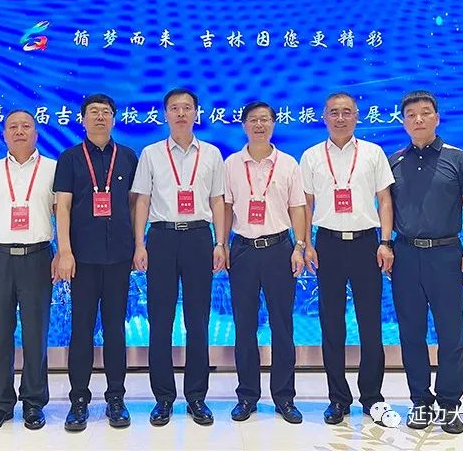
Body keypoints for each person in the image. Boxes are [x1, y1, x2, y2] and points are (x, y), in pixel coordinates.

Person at [388, 90, 463, 434]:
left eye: (425, 113)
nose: (418, 119)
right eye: (411, 114)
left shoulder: (457, 158)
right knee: (411, 333)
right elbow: (386, 207)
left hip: (446, 254)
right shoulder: (394, 161)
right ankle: (420, 401)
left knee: (450, 332)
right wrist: (386, 246)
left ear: (437, 118)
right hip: (405, 254)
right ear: (403, 122)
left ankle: (449, 404)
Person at [131, 88, 226, 426]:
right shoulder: (151, 153)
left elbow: (217, 200)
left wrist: (220, 243)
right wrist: (139, 244)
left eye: (187, 108)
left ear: (196, 113)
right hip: (161, 238)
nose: (181, 114)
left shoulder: (212, 153)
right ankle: (163, 398)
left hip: (199, 237)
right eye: (175, 108)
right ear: (165, 114)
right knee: (160, 320)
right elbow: (142, 200)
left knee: (198, 320)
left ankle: (197, 396)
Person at [300, 92, 393, 425]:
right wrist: (305, 244)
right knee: (332, 324)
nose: (340, 118)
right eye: (334, 113)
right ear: (324, 116)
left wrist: (385, 242)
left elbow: (385, 200)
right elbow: (306, 205)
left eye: (346, 112)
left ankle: (372, 397)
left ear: (357, 116)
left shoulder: (373, 153)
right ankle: (338, 398)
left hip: (367, 244)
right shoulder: (311, 156)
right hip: (328, 244)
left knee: (370, 324)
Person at [54, 94, 138, 431]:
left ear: (114, 118)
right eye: (93, 112)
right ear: (83, 118)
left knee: (116, 330)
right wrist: (65, 251)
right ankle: (79, 400)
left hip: (119, 257)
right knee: (82, 330)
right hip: (82, 259)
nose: (100, 117)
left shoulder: (128, 157)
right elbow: (62, 207)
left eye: (106, 112)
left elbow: (134, 206)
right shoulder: (70, 158)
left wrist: (138, 245)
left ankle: (116, 398)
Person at [0, 110, 58, 432]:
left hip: (38, 258)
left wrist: (63, 252)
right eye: (13, 127)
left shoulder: (53, 169)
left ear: (36, 132)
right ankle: (0, 404)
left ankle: (34, 403)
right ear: (4, 134)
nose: (19, 131)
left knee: (35, 334)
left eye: (26, 126)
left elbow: (62, 213)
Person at [224, 101, 306, 424]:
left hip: (279, 249)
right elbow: (226, 207)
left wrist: (299, 246)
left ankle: (285, 397)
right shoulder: (232, 164)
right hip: (243, 249)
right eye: (253, 120)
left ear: (273, 123)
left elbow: (297, 207)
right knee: (244, 326)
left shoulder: (288, 164)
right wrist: (222, 244)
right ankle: (247, 396)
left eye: (265, 120)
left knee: (282, 326)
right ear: (244, 125)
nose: (259, 125)